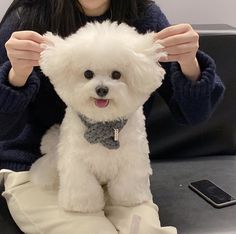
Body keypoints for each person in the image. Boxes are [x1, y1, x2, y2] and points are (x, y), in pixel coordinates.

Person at [0, 0, 224, 233]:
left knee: (145, 230)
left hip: (122, 167)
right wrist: (17, 75)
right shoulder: (28, 17)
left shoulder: (145, 15)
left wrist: (189, 61)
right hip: (36, 166)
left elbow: (194, 115)